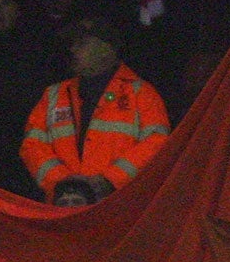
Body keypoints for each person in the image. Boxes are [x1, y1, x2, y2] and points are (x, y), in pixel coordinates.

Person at [20, 14, 169, 202]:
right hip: (63, 207)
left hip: (117, 208)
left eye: (82, 43)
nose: (73, 49)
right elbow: (32, 145)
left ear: (107, 49)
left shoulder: (142, 94)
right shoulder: (53, 94)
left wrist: (109, 181)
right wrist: (63, 183)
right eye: (73, 43)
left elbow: (158, 145)